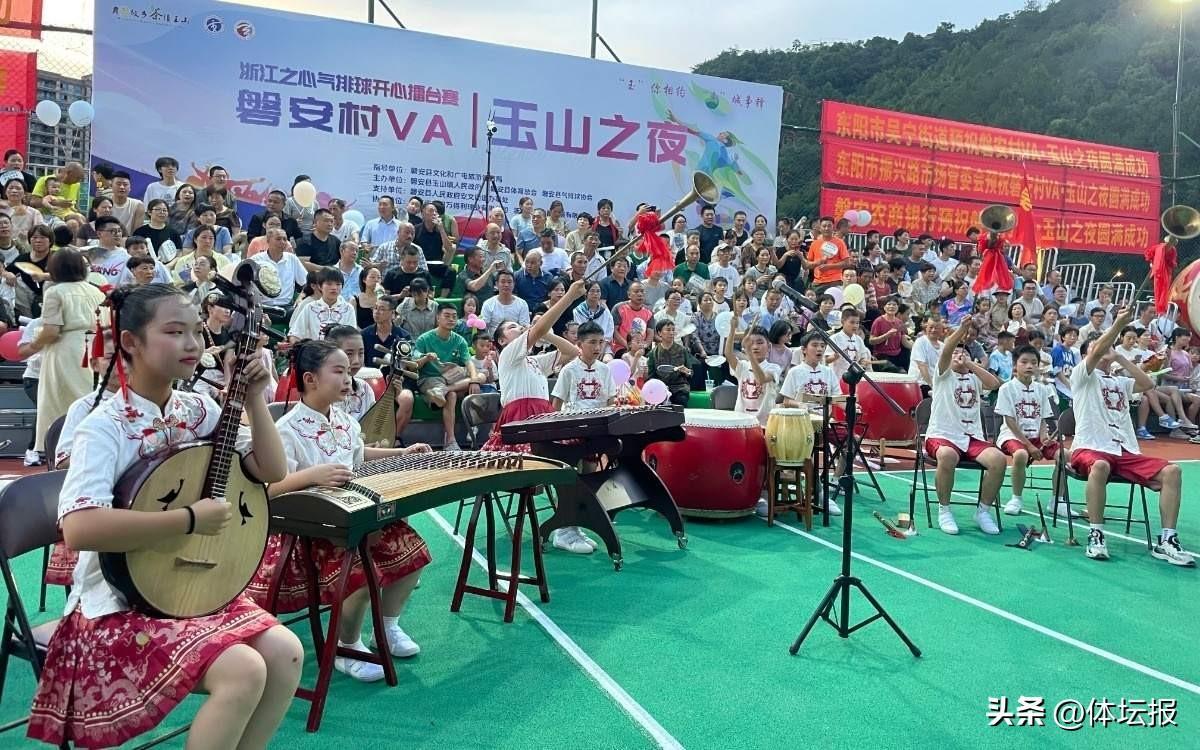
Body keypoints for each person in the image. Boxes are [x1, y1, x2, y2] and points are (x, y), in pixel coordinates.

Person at [27, 283, 302, 748]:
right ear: (130, 342)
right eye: (175, 332)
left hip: (189, 586)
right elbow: (79, 528)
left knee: (286, 651)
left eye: (196, 331)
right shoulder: (103, 427)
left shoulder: (200, 409)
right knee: (243, 670)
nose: (192, 343)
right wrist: (188, 520)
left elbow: (271, 471)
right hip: (117, 602)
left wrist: (254, 398)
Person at [246, 338, 433, 682]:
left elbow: (358, 457)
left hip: (353, 515)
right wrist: (312, 476)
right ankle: (347, 648)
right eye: (338, 371)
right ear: (310, 379)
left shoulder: (346, 420)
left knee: (414, 554)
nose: (348, 379)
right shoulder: (285, 430)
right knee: (359, 577)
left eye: (349, 371)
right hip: (310, 530)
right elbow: (268, 490)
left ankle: (387, 627)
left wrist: (402, 454)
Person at [1068, 306, 1193, 565]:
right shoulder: (1081, 376)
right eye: (1099, 348)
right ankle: (1096, 534)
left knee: (1172, 472)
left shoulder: (1120, 382)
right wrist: (1118, 324)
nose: (1105, 352)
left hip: (1125, 451)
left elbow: (1148, 384)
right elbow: (1097, 350)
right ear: (1086, 355)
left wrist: (1122, 360)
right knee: (1100, 466)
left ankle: (1167, 540)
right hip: (1091, 447)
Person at [925, 320, 1005, 535]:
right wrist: (961, 330)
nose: (958, 355)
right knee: (947, 455)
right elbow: (946, 351)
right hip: (942, 434)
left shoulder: (974, 377)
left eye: (963, 353)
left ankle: (983, 511)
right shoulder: (943, 374)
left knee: (998, 460)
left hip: (972, 438)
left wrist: (971, 364)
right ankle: (944, 510)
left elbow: (994, 384)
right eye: (955, 353)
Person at [27, 249, 107, 456]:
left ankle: (59, 451)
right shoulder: (97, 292)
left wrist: (32, 345)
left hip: (65, 348)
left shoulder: (55, 292)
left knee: (58, 403)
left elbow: (51, 331)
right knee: (90, 397)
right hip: (95, 346)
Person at [549, 320, 615, 552]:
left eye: (601, 342)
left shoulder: (605, 370)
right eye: (592, 342)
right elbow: (556, 405)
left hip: (595, 432)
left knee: (589, 480)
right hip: (572, 432)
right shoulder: (569, 370)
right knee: (570, 480)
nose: (597, 347)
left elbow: (610, 401)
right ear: (579, 344)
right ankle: (562, 530)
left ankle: (575, 527)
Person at [995, 345, 1061, 515]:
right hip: (1012, 436)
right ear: (1015, 365)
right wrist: (1029, 446)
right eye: (1024, 362)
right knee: (1021, 455)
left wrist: (1044, 436)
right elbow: (1010, 421)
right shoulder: (1006, 389)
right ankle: (1016, 498)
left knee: (1064, 455)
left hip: (1036, 437)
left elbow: (1043, 419)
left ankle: (1057, 501)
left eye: (1033, 362)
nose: (1029, 366)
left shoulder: (1042, 389)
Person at [413, 302, 478, 450]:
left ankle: (442, 391)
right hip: (430, 378)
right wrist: (426, 358)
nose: (451, 319)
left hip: (451, 379)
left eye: (454, 317)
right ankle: (450, 441)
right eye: (447, 316)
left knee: (480, 376)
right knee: (452, 395)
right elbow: (415, 364)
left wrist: (474, 380)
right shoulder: (424, 339)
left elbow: (468, 362)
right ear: (438, 318)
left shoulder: (459, 340)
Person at [724, 323, 780, 426]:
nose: (755, 347)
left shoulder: (774, 368)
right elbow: (728, 354)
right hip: (740, 421)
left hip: (764, 424)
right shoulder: (743, 366)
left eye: (760, 343)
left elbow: (761, 379)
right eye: (750, 343)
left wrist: (749, 353)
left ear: (769, 346)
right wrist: (732, 329)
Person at [287, 267, 355, 343]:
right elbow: (295, 335)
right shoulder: (310, 307)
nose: (334, 288)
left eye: (338, 284)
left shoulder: (348, 309)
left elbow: (352, 337)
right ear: (320, 286)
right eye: (329, 284)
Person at [326, 325, 377, 422]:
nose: (356, 361)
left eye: (361, 353)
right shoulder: (321, 392)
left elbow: (373, 425)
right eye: (349, 354)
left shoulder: (364, 389)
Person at [646, 319, 696, 407]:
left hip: (679, 387)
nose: (671, 333)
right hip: (661, 388)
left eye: (673, 330)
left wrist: (687, 371)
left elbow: (690, 372)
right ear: (659, 333)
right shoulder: (653, 353)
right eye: (668, 330)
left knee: (681, 400)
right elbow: (651, 376)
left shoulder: (682, 350)